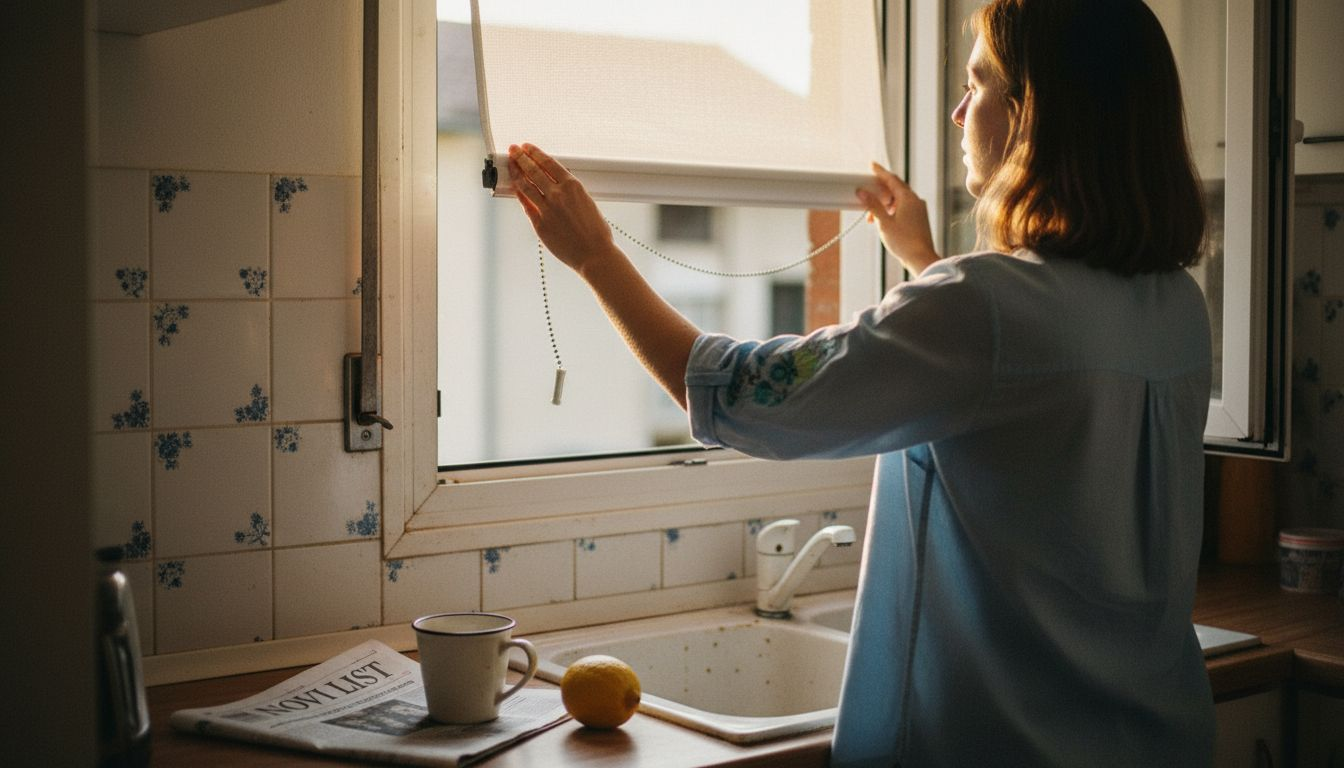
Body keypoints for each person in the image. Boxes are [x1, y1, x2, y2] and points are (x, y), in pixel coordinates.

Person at [505, 0, 1213, 763]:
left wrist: (597, 256)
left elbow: (740, 391)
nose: (957, 111)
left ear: (1031, 112)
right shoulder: (1176, 304)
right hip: (1155, 736)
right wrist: (927, 265)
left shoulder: (983, 306)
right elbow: (1020, 391)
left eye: (977, 84)